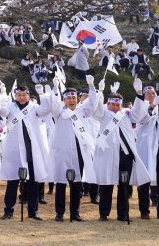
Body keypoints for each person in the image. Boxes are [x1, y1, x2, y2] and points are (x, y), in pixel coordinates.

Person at [93, 87, 150, 222]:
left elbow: (137, 114)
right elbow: (96, 110)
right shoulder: (103, 113)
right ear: (108, 104)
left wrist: (139, 94)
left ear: (121, 104)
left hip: (125, 154)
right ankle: (103, 213)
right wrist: (99, 93)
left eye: (117, 104)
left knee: (124, 184)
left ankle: (123, 213)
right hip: (108, 154)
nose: (114, 107)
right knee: (106, 184)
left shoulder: (126, 113)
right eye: (112, 104)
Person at [0, 83, 54, 221]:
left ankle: (33, 211)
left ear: (28, 95)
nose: (22, 97)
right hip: (15, 150)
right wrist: (0, 101)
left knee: (33, 182)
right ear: (15, 96)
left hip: (31, 150)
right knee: (12, 181)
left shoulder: (34, 107)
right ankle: (8, 210)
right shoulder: (11, 107)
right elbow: (3, 113)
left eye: (24, 95)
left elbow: (46, 110)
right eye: (19, 95)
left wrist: (42, 95)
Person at [48, 76, 99, 222]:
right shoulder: (59, 113)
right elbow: (55, 105)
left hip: (79, 151)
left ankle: (75, 213)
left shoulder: (82, 111)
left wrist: (91, 86)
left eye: (74, 98)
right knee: (61, 183)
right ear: (64, 100)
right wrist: (56, 89)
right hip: (62, 151)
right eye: (68, 98)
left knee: (76, 184)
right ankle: (59, 213)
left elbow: (93, 103)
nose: (71, 100)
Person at [131, 82, 159, 221]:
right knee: (144, 180)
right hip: (147, 147)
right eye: (148, 94)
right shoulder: (141, 106)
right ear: (144, 96)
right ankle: (144, 210)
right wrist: (151, 105)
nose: (151, 95)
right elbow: (139, 118)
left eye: (153, 93)